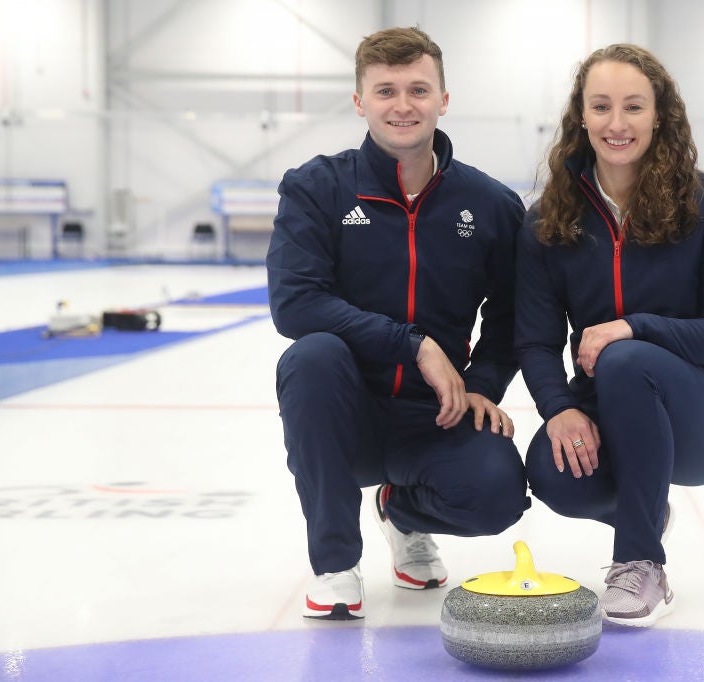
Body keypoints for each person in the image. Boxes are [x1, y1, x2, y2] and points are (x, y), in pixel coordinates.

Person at [267, 26, 529, 621]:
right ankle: (334, 565)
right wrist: (411, 345)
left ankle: (401, 513)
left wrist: (484, 386)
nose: (403, 105)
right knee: (310, 357)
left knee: (497, 494)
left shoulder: (489, 205)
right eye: (385, 91)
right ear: (360, 102)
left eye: (418, 89)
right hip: (345, 413)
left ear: (443, 98)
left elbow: (513, 315)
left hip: (437, 414)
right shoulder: (317, 188)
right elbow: (295, 302)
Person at [515, 44, 704, 628]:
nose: (616, 124)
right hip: (608, 403)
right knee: (552, 474)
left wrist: (636, 327)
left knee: (624, 358)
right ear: (581, 117)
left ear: (659, 115)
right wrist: (559, 410)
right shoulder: (551, 219)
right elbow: (535, 340)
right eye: (601, 107)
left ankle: (641, 559)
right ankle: (646, 509)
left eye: (633, 107)